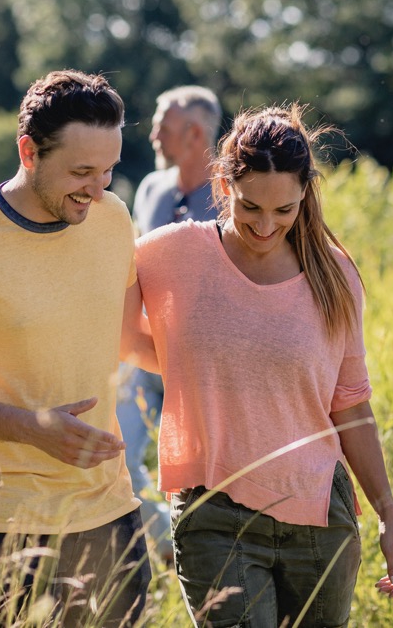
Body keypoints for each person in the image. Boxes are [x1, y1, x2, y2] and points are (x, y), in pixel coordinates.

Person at [123, 104, 393, 626]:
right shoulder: (169, 254)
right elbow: (123, 334)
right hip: (214, 511)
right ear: (223, 182)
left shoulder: (334, 273)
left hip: (319, 515)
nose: (265, 225)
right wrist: (194, 365)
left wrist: (388, 514)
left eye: (285, 210)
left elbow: (350, 404)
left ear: (306, 194)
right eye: (250, 206)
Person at [0, 70, 151, 625]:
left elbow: (128, 337)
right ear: (29, 152)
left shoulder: (113, 218)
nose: (98, 187)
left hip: (109, 503)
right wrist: (29, 426)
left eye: (109, 169)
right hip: (9, 519)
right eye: (82, 171)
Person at [117, 85, 222, 555]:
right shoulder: (150, 188)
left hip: (203, 362)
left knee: (203, 468)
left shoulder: (231, 193)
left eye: (163, 123)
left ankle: (203, 552)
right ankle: (165, 545)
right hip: (143, 350)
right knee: (119, 450)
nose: (153, 132)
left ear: (195, 132)